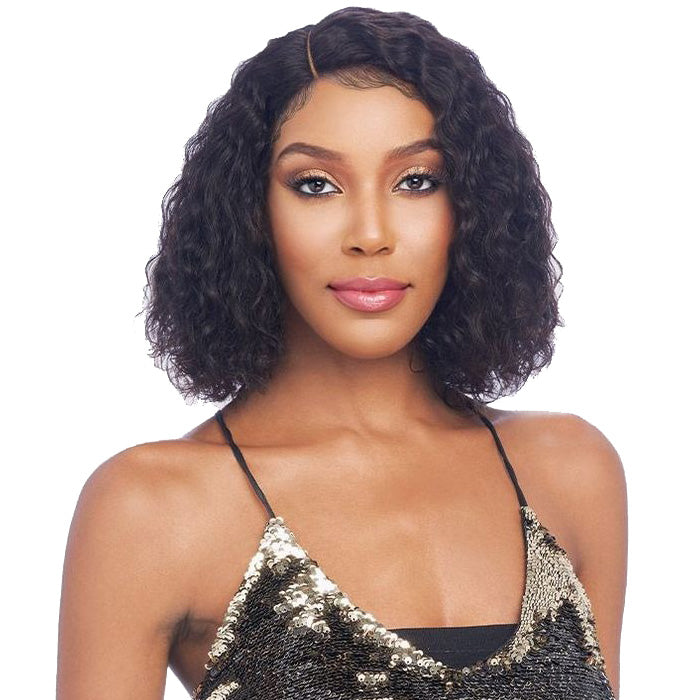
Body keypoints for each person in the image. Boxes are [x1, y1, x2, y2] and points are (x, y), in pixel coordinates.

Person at [56, 7, 627, 700]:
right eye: (315, 184)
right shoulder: (153, 508)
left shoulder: (569, 471)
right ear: (250, 212)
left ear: (473, 207)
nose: (371, 234)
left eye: (417, 180)